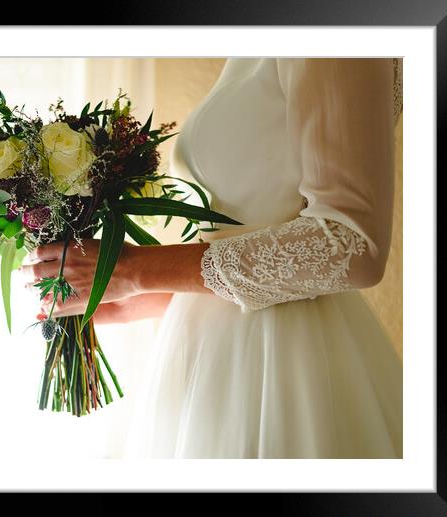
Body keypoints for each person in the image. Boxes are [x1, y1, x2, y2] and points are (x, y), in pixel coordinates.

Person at [21, 58, 403, 458]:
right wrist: (135, 296)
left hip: (284, 368)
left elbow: (351, 245)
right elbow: (253, 229)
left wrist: (132, 270)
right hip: (203, 361)